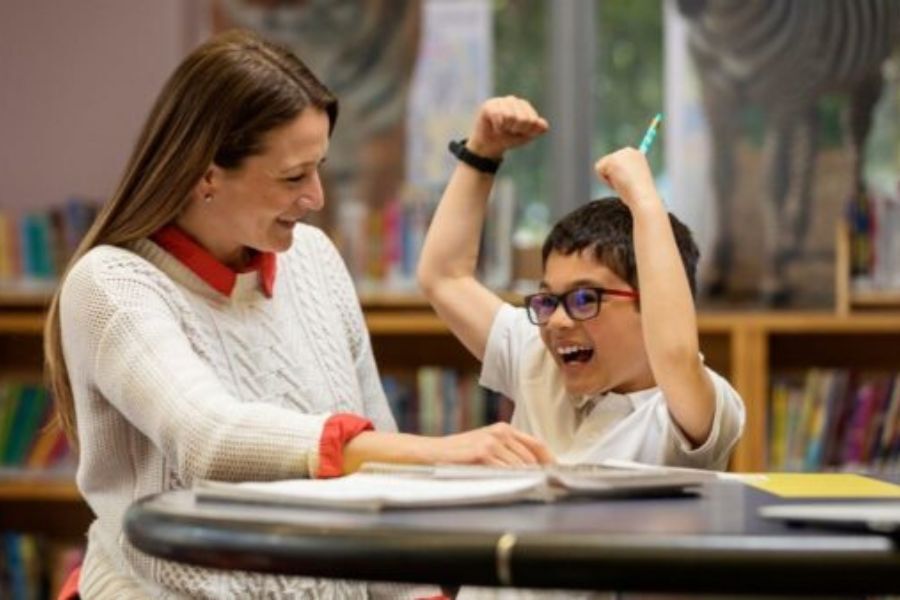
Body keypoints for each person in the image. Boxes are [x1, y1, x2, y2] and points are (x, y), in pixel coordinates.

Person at [44, 32, 551, 599]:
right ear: (206, 174)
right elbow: (208, 436)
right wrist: (438, 449)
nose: (317, 197)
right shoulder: (112, 283)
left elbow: (378, 480)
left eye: (319, 168)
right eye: (293, 177)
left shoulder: (313, 259)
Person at [418, 96, 746, 471]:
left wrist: (644, 200)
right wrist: (482, 153)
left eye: (585, 298)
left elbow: (675, 355)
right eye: (548, 300)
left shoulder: (693, 408)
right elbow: (444, 277)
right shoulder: (536, 357)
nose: (557, 322)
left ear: (651, 305)